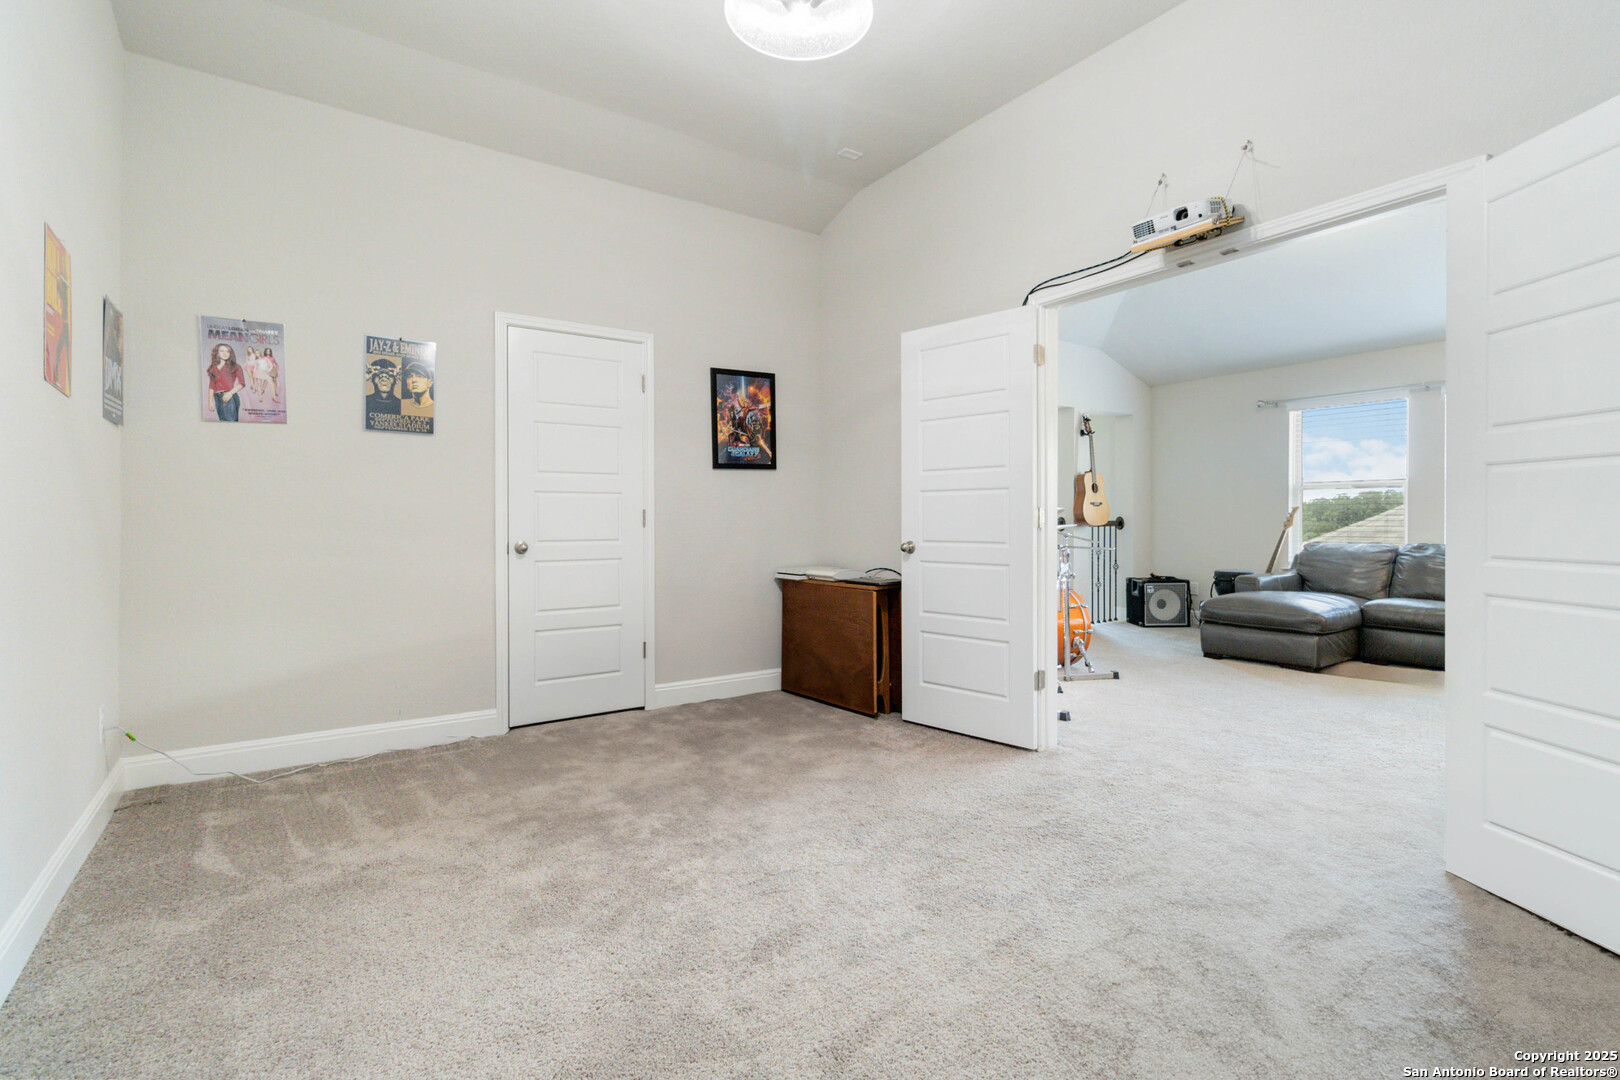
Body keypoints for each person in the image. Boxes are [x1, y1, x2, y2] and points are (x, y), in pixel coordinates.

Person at [206, 342, 244, 421]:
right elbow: (211, 386)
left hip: (229, 396)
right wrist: (210, 401)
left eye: (227, 351)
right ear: (217, 353)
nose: (225, 353)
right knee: (222, 422)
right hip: (217, 397)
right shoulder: (213, 368)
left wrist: (230, 393)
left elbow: (242, 383)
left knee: (230, 423)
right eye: (222, 351)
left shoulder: (236, 366)